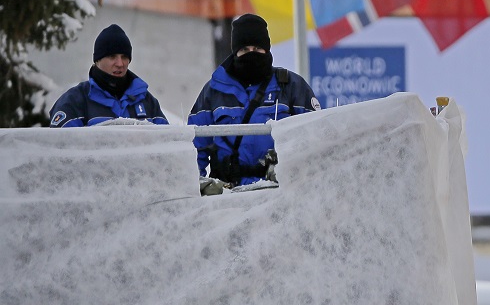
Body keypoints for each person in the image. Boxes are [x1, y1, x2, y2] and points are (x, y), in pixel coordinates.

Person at [189, 13, 320, 186]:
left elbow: (316, 138)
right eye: (245, 50)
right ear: (235, 52)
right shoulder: (214, 91)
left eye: (257, 49)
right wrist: (195, 187)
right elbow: (193, 147)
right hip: (227, 198)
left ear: (267, 49)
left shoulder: (291, 86)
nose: (251, 55)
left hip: (279, 193)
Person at [49, 24, 169, 127]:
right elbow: (62, 148)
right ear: (97, 60)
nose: (120, 64)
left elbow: (167, 144)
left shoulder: (147, 101)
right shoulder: (75, 101)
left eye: (124, 57)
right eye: (112, 57)